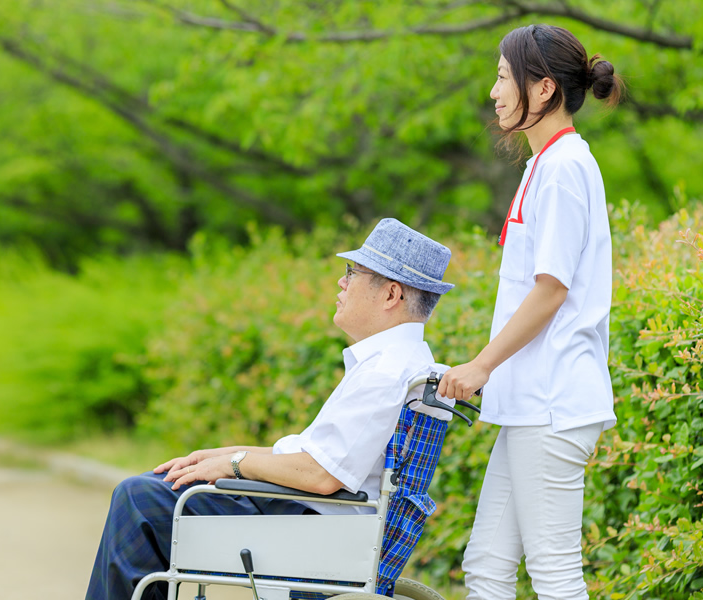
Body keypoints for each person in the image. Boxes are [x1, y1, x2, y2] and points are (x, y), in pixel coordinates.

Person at [86, 218, 454, 600]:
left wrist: (234, 464)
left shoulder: (385, 371)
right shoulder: (405, 362)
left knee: (139, 499)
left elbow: (320, 476)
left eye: (352, 272)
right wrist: (224, 454)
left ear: (391, 294)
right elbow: (319, 459)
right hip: (319, 521)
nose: (341, 283)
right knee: (160, 485)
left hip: (312, 530)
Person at [437, 24, 621, 600]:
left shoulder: (565, 167)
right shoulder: (543, 164)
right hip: (532, 406)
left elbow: (551, 289)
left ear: (542, 88)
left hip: (553, 402)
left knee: (556, 576)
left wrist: (480, 366)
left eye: (501, 75)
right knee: (488, 566)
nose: (494, 91)